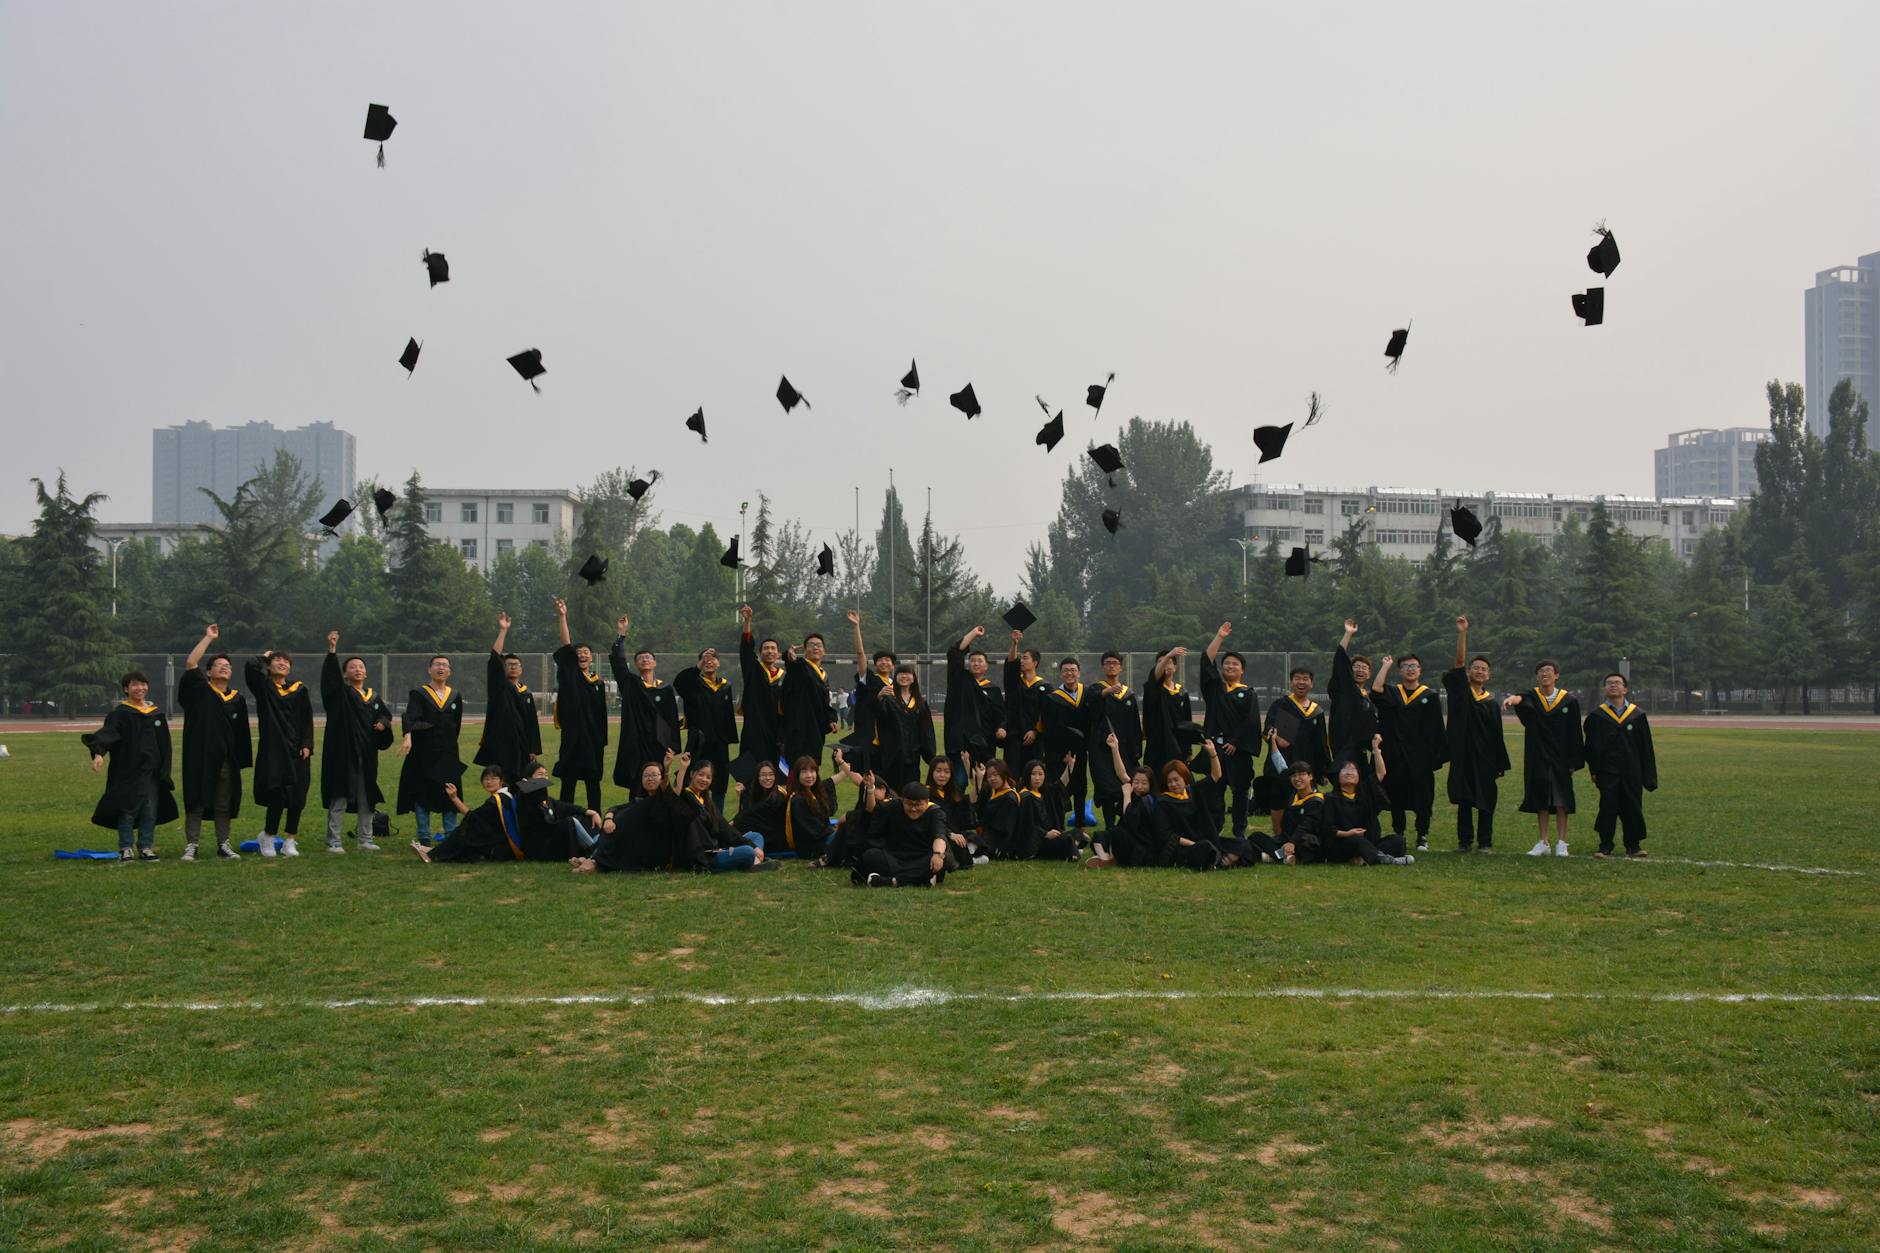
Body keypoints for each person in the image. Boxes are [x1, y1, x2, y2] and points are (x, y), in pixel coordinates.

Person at [175, 624, 252, 861]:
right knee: (196, 799)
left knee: (223, 803)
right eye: (219, 666)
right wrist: (208, 638)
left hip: (226, 759)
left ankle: (223, 844)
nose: (225, 669)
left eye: (228, 666)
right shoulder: (199, 691)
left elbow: (241, 733)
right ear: (209, 672)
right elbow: (190, 664)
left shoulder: (236, 699)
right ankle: (192, 844)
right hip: (200, 756)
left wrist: (240, 759)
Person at [84, 669, 178, 860]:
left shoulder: (156, 714)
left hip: (151, 772)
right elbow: (107, 734)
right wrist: (99, 752)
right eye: (134, 684)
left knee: (150, 810)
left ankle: (145, 847)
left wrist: (163, 770)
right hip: (128, 771)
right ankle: (125, 847)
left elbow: (165, 745)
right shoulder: (120, 714)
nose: (140, 688)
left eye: (143, 684)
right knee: (127, 809)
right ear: (126, 689)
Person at [321, 630, 394, 852]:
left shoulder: (372, 697)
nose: (358, 669)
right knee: (340, 796)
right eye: (352, 667)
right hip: (344, 754)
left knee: (366, 798)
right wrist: (332, 651)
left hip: (367, 755)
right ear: (344, 675)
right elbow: (329, 681)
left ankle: (366, 839)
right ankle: (334, 841)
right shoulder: (340, 694)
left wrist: (383, 722)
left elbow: (385, 715)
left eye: (361, 667)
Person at [1442, 616, 1510, 852]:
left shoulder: (1490, 703)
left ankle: (1485, 842)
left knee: (1486, 802)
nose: (1480, 671)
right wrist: (1463, 633)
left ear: (1488, 675)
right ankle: (1465, 841)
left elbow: (1497, 735)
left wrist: (1498, 763)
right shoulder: (1460, 692)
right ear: (1469, 672)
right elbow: (1459, 663)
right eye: (1476, 668)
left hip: (1485, 760)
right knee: (1464, 800)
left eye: (1484, 669)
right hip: (1463, 755)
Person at [1505, 660, 1584, 857]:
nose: (1544, 674)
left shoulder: (1569, 701)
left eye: (1548, 670)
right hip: (1538, 756)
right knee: (1541, 798)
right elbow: (1521, 699)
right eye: (1540, 671)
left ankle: (1562, 842)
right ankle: (1543, 841)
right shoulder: (1533, 697)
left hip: (1561, 758)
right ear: (1537, 676)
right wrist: (1513, 699)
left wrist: (1574, 761)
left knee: (1561, 800)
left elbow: (1575, 733)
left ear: (1557, 675)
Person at [1369, 651, 1446, 852]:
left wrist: (1434, 757)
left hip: (1420, 758)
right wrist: (1385, 665)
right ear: (1400, 671)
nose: (1410, 670)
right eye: (1406, 666)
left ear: (1420, 670)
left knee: (1423, 796)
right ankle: (1399, 832)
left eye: (1414, 666)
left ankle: (1422, 835)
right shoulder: (1394, 692)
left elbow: (1437, 728)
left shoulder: (1429, 696)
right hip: (1395, 755)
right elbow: (1376, 690)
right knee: (1396, 795)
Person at [245, 648, 314, 857]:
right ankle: (268, 836)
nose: (282, 663)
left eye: (286, 661)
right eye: (277, 660)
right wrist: (264, 656)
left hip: (297, 750)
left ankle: (290, 840)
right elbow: (250, 667)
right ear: (268, 665)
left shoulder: (299, 690)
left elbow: (306, 719)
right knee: (277, 794)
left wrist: (307, 744)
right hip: (273, 750)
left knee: (297, 796)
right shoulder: (264, 687)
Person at [1582, 672, 1658, 859]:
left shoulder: (1637, 715)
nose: (1613, 686)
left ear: (1625, 689)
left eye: (1617, 683)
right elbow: (1590, 747)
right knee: (1608, 807)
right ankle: (1605, 845)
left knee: (1632, 807)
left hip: (1632, 771)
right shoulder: (1597, 716)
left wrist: (1648, 775)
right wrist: (1594, 770)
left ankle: (1633, 845)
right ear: (1604, 689)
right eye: (1609, 683)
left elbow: (1646, 747)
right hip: (1607, 771)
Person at [395, 654, 465, 847]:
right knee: (422, 793)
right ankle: (424, 836)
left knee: (450, 791)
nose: (441, 668)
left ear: (449, 671)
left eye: (444, 665)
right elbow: (410, 718)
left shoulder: (455, 695)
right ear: (429, 669)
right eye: (437, 664)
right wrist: (409, 735)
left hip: (448, 751)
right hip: (423, 753)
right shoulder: (419, 694)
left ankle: (451, 835)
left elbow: (456, 724)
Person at [663, 752, 773, 872]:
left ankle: (754, 863)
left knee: (756, 836)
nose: (704, 779)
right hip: (705, 856)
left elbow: (725, 829)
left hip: (720, 847)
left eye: (708, 777)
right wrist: (682, 768)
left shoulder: (707, 802)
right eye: (701, 775)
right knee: (747, 851)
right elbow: (674, 798)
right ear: (692, 775)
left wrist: (752, 846)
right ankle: (754, 861)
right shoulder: (686, 798)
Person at [1202, 622, 1262, 841]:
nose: (1229, 667)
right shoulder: (1215, 688)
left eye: (1235, 664)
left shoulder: (1248, 694)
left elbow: (1252, 722)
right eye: (1226, 663)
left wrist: (1236, 742)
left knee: (1240, 792)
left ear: (1242, 670)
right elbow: (1207, 661)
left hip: (1238, 751)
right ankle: (1215, 829)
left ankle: (1239, 832)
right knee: (1215, 792)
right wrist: (1219, 636)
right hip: (1216, 749)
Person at [609, 614, 680, 790]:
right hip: (636, 741)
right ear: (635, 664)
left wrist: (673, 746)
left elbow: (672, 718)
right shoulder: (630, 683)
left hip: (658, 742)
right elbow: (618, 662)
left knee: (658, 782)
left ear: (655, 663)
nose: (645, 659)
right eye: (640, 657)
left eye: (648, 657)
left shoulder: (665, 689)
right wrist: (621, 634)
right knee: (637, 782)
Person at [550, 597, 608, 812]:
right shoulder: (570, 675)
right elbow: (566, 645)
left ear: (591, 658)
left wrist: (601, 741)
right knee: (569, 783)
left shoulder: (598, 683)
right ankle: (566, 819)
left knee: (593, 783)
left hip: (593, 742)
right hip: (573, 739)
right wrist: (563, 616)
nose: (582, 655)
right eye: (579, 653)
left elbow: (601, 715)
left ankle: (597, 820)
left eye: (586, 653)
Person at [1258, 665, 1329, 835]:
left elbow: (1321, 743)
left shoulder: (1316, 712)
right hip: (1282, 764)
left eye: (1305, 679)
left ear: (1312, 683)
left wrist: (1322, 771)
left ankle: (1302, 838)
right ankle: (1279, 837)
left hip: (1306, 767)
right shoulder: (1281, 704)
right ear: (1291, 682)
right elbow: (1267, 729)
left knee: (1306, 802)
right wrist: (1275, 736)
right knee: (1279, 800)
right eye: (1297, 678)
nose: (1301, 682)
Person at [573, 759, 675, 873]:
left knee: (619, 826)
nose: (650, 778)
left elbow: (666, 785)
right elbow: (615, 809)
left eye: (654, 775)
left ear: (661, 778)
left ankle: (594, 860)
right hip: (634, 841)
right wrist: (608, 819)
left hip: (652, 846)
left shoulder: (663, 799)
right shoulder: (638, 801)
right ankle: (593, 858)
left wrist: (667, 768)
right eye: (646, 776)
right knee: (614, 825)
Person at [476, 613, 541, 785]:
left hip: (522, 747)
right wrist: (503, 631)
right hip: (501, 745)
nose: (512, 667)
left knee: (525, 786)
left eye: (516, 665)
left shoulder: (526, 693)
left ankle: (523, 812)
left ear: (521, 669)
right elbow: (494, 660)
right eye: (508, 665)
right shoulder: (499, 688)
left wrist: (534, 748)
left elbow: (532, 723)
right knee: (502, 785)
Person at [1322, 751, 1415, 866]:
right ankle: (1384, 859)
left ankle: (1363, 857)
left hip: (1369, 842)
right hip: (1343, 843)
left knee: (1399, 840)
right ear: (1338, 776)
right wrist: (1348, 833)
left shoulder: (1365, 794)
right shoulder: (1330, 798)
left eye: (1353, 770)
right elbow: (1328, 829)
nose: (1349, 773)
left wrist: (1376, 751)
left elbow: (1381, 773)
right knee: (1356, 840)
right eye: (1345, 770)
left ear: (1359, 776)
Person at [674, 643, 737, 809]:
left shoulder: (725, 686)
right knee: (695, 779)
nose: (709, 662)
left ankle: (716, 820)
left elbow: (729, 715)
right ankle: (695, 816)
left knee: (719, 782)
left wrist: (728, 738)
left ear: (719, 663)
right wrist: (699, 665)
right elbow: (679, 683)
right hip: (699, 741)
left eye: (713, 658)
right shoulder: (693, 683)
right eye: (705, 659)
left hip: (720, 743)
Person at [414, 767, 521, 863]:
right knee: (469, 831)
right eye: (486, 779)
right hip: (502, 842)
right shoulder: (506, 796)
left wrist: (454, 798)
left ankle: (432, 855)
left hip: (500, 847)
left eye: (494, 779)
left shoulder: (497, 800)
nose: (489, 782)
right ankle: (433, 852)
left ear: (501, 781)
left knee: (465, 830)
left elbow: (471, 817)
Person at [856, 781, 951, 887]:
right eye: (909, 804)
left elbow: (940, 835)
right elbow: (871, 810)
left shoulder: (935, 813)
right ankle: (920, 879)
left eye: (918, 805)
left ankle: (890, 881)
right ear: (902, 801)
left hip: (922, 856)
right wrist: (870, 789)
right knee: (871, 856)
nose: (913, 809)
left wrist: (937, 854)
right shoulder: (892, 807)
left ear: (927, 801)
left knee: (943, 858)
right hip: (895, 856)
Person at [1085, 651, 1142, 831]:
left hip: (1125, 749)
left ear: (1121, 667)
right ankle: (1110, 827)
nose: (1111, 665)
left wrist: (1136, 750)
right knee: (1107, 788)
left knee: (1126, 784)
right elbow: (1090, 708)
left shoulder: (1128, 694)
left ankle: (1125, 823)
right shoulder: (1095, 690)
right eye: (1108, 663)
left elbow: (1134, 724)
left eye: (1115, 663)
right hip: (1101, 749)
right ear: (1103, 667)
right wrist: (1106, 692)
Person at [1153, 752, 1240, 868]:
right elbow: (1165, 835)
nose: (1173, 784)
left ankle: (1218, 861)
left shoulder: (1193, 790)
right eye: (1169, 781)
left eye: (1176, 780)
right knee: (1205, 848)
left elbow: (1216, 775)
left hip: (1204, 840)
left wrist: (1213, 754)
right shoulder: (1163, 802)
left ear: (1184, 778)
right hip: (1183, 848)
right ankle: (1221, 861)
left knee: (1241, 843)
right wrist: (1193, 845)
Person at [1329, 619, 1383, 798]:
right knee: (1342, 780)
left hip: (1360, 747)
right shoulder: (1344, 690)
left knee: (1362, 783)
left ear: (1369, 674)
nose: (1360, 670)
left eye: (1364, 668)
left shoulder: (1369, 698)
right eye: (1356, 667)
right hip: (1343, 742)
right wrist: (1348, 634)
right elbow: (1339, 661)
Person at [944, 625, 1006, 772]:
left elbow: (1000, 715)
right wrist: (973, 633)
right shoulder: (959, 680)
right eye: (972, 660)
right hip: (960, 742)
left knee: (984, 784)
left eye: (980, 661)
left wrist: (1001, 727)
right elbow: (954, 652)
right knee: (959, 784)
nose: (976, 663)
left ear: (986, 666)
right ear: (968, 664)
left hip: (984, 744)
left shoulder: (993, 690)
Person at [736, 604, 788, 771]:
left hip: (776, 732)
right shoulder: (754, 670)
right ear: (759, 653)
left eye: (773, 648)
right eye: (766, 648)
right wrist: (747, 621)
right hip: (754, 729)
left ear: (778, 654)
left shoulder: (785, 677)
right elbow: (745, 650)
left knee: (773, 775)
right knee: (750, 774)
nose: (769, 651)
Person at [1041, 658, 1092, 829]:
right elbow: (1048, 729)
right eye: (1066, 670)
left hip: (1080, 752)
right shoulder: (1052, 698)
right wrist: (1057, 755)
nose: (1070, 673)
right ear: (1061, 674)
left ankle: (1080, 825)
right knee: (1059, 789)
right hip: (1059, 754)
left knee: (1080, 788)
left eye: (1073, 670)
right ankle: (1057, 824)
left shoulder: (1086, 694)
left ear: (1079, 672)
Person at [513, 764, 602, 860]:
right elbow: (529, 800)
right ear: (528, 778)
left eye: (546, 774)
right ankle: (595, 850)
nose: (544, 777)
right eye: (540, 774)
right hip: (540, 845)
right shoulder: (524, 797)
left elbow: (565, 807)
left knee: (585, 818)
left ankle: (599, 843)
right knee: (570, 821)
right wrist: (528, 786)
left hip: (551, 837)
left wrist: (590, 812)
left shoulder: (545, 798)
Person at [872, 663, 936, 791]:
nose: (904, 676)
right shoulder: (889, 699)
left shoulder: (920, 702)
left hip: (913, 753)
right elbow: (880, 719)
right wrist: (879, 698)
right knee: (891, 787)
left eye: (908, 673)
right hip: (892, 752)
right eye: (901, 673)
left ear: (913, 678)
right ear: (895, 677)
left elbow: (926, 730)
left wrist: (930, 754)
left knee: (910, 788)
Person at [780, 629, 838, 767]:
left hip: (816, 728)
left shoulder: (823, 674)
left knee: (813, 766)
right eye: (811, 645)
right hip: (799, 727)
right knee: (798, 766)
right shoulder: (800, 666)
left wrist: (831, 718)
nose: (815, 647)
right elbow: (793, 667)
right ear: (805, 650)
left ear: (824, 651)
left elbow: (824, 701)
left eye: (819, 645)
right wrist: (789, 658)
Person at [847, 610, 895, 775]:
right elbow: (860, 654)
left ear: (893, 665)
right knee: (869, 782)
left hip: (891, 741)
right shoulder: (870, 680)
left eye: (887, 660)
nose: (884, 662)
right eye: (880, 660)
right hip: (871, 739)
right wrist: (856, 627)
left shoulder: (898, 685)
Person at [1015, 756, 1083, 861]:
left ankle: (1070, 847)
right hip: (1037, 843)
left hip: (1050, 836)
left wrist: (1070, 765)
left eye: (1040, 774)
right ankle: (1071, 850)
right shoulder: (1026, 797)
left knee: (1079, 833)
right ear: (1027, 775)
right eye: (1033, 774)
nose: (1037, 778)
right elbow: (1026, 825)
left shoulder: (1042, 793)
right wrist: (1045, 834)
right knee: (1067, 839)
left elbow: (1060, 785)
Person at [1140, 646, 1193, 778]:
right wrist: (1169, 655)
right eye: (1161, 662)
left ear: (1175, 667)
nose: (1166, 664)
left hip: (1179, 747)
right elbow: (1154, 678)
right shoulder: (1153, 689)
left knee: (1177, 783)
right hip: (1157, 745)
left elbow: (1187, 723)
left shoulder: (1182, 693)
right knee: (1156, 783)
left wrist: (1188, 751)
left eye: (1169, 662)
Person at [1002, 630, 1049, 769]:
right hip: (1014, 738)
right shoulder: (1015, 683)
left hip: (1035, 740)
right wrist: (1014, 643)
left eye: (1025, 658)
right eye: (1021, 658)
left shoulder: (1045, 687)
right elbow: (1010, 664)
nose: (1021, 661)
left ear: (1035, 662)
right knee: (1012, 775)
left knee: (1033, 777)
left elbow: (1046, 714)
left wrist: (1036, 731)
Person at [926, 756, 981, 870]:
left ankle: (971, 854)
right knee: (955, 845)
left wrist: (977, 780)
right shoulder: (926, 793)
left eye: (947, 772)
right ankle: (970, 857)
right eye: (938, 771)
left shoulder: (951, 792)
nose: (942, 775)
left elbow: (968, 801)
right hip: (938, 834)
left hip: (956, 833)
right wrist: (950, 834)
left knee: (974, 837)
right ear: (931, 772)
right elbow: (929, 821)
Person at [780, 755, 837, 861]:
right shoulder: (797, 800)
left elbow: (828, 814)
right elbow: (815, 832)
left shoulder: (815, 793)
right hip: (812, 848)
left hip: (823, 840)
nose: (809, 775)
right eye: (804, 771)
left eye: (812, 771)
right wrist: (835, 832)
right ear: (797, 775)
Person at [1276, 760, 1327, 865]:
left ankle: (1276, 855)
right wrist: (1288, 841)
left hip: (1306, 839)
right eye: (1293, 776)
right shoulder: (1293, 797)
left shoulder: (1317, 801)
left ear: (1310, 776)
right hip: (1289, 839)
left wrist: (1292, 842)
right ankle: (1284, 856)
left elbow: (1307, 826)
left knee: (1306, 842)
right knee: (1257, 837)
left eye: (1301, 774)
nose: (1297, 778)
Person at [731, 758, 786, 849]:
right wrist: (740, 795)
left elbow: (750, 813)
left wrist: (732, 823)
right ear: (757, 777)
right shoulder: (756, 793)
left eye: (771, 775)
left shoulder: (778, 795)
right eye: (763, 775)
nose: (768, 778)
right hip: (761, 832)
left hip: (774, 838)